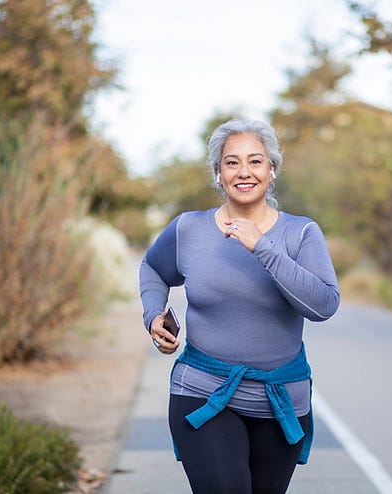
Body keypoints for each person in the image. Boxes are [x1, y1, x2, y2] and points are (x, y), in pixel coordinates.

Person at [139, 118, 340, 494]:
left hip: (281, 400)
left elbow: (324, 305)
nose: (244, 172)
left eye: (255, 161)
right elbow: (152, 267)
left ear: (272, 170)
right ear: (218, 174)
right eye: (232, 162)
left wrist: (262, 246)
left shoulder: (300, 233)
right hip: (203, 391)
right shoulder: (188, 229)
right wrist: (154, 315)